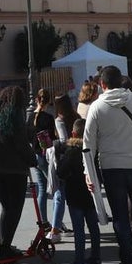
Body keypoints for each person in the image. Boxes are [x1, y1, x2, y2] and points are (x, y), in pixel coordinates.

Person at [83, 65, 132, 264]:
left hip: (111, 167)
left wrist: (88, 172)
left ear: (102, 84)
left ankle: (127, 260)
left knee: (120, 215)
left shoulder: (96, 107)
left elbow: (88, 144)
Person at [0, 86, 36, 263]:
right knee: (15, 208)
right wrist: (32, 159)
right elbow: (21, 142)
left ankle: (4, 244)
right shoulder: (15, 114)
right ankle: (5, 247)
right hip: (15, 168)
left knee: (6, 206)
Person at [54, 119, 101, 264]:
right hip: (91, 193)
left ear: (73, 133)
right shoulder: (93, 149)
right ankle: (96, 257)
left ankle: (79, 262)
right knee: (93, 226)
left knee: (79, 229)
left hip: (75, 193)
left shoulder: (71, 151)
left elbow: (61, 172)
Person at [50, 94, 79, 239]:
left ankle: (55, 229)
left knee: (59, 194)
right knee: (74, 195)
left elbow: (63, 140)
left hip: (64, 160)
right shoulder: (76, 116)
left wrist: (53, 145)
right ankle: (76, 226)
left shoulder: (59, 120)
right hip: (78, 157)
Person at [27, 89, 55, 232]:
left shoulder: (30, 117)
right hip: (46, 155)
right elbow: (52, 138)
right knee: (55, 188)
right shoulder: (48, 118)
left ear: (37, 100)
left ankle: (43, 221)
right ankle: (57, 221)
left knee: (42, 189)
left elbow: (27, 136)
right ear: (48, 101)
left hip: (35, 155)